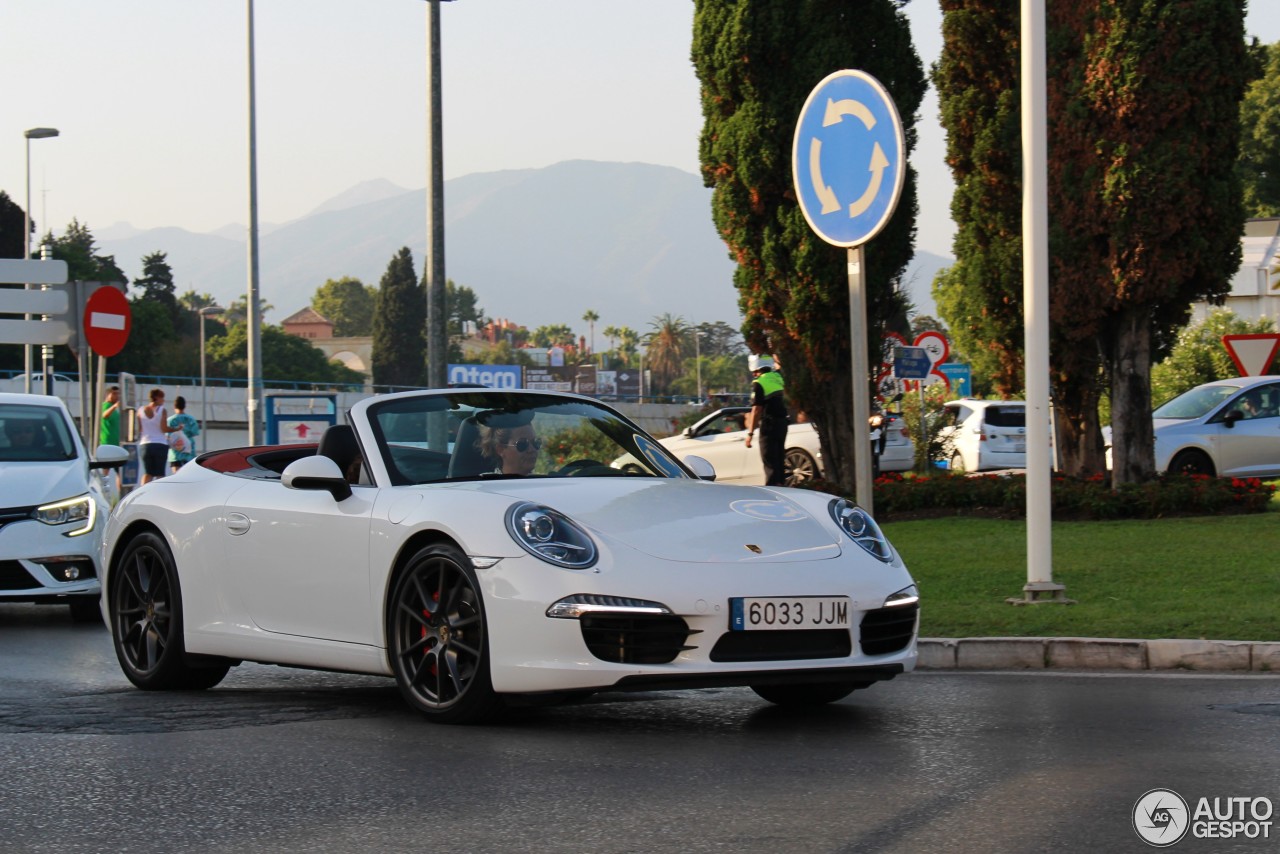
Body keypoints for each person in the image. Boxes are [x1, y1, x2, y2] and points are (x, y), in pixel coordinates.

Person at [744, 353, 788, 486]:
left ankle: (773, 493)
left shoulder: (759, 383)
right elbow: (778, 363)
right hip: (782, 424)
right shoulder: (778, 377)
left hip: (769, 426)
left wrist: (750, 434)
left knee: (770, 462)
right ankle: (783, 488)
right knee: (779, 460)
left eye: (754, 372)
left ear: (756, 370)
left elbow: (756, 410)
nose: (753, 375)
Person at [136, 388, 180, 485]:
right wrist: (175, 429)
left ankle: (142, 494)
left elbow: (139, 429)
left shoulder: (140, 410)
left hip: (145, 444)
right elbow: (163, 429)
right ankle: (160, 496)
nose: (163, 401)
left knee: (148, 473)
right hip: (160, 444)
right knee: (160, 474)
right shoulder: (162, 410)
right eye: (162, 398)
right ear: (156, 398)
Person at [475, 411, 541, 476]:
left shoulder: (544, 482)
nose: (532, 450)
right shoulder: (486, 483)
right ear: (500, 449)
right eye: (522, 444)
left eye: (535, 442)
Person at [167, 395, 200, 473]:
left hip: (175, 452)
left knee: (176, 476)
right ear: (184, 406)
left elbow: (167, 434)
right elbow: (194, 432)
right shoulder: (191, 419)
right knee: (188, 475)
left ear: (174, 406)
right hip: (189, 452)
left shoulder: (170, 420)